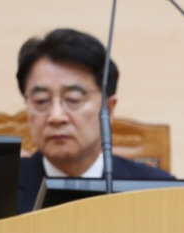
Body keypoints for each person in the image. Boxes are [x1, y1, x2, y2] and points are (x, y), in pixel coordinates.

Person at [15, 28, 173, 214]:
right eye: (41, 101)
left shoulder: (157, 191)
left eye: (73, 99)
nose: (56, 116)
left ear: (108, 109)